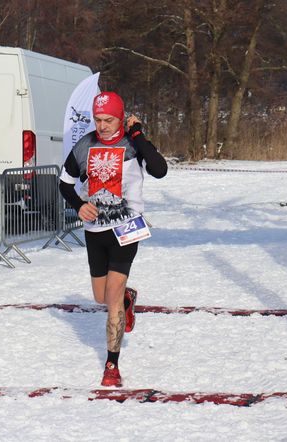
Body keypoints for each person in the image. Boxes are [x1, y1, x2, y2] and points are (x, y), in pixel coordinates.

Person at [59, 91, 168, 387]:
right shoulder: (85, 145)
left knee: (111, 300)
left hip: (126, 229)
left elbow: (160, 170)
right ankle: (127, 298)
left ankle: (112, 364)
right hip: (95, 231)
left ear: (120, 118)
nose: (103, 125)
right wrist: (78, 205)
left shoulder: (133, 145)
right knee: (101, 297)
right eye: (98, 119)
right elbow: (64, 183)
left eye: (109, 120)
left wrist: (138, 133)